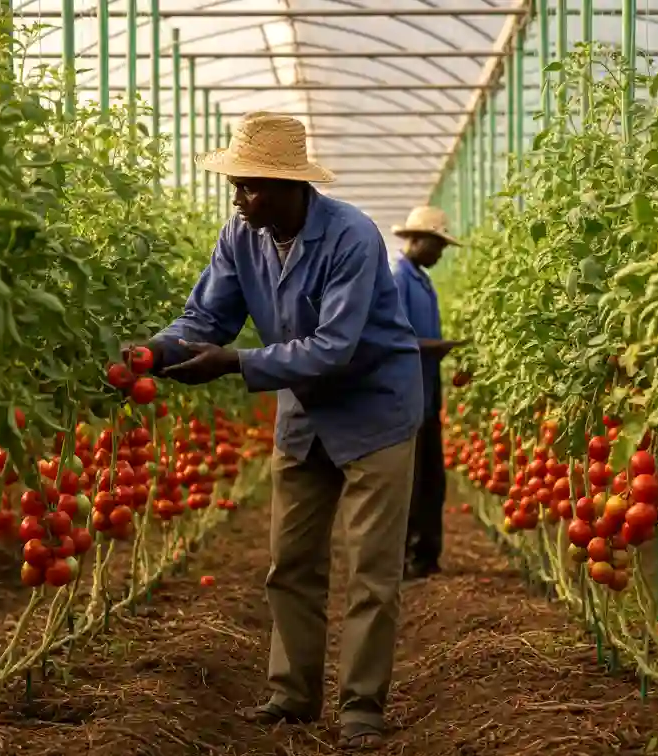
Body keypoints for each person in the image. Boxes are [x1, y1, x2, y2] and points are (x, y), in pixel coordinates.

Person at [137, 112, 423, 751]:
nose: (240, 198)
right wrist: (154, 354)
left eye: (252, 186)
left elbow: (335, 348)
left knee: (371, 568)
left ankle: (361, 709)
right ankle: (292, 693)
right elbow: (204, 315)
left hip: (375, 409)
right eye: (236, 185)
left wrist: (236, 362)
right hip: (303, 414)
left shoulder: (352, 235)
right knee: (289, 560)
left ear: (292, 186)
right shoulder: (241, 235)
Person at [390, 207, 463, 581]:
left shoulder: (421, 280)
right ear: (416, 241)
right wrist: (438, 346)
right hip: (406, 396)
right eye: (437, 246)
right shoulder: (398, 279)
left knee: (432, 479)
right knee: (414, 482)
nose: (440, 254)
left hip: (427, 394)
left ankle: (427, 556)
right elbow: (394, 340)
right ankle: (408, 559)